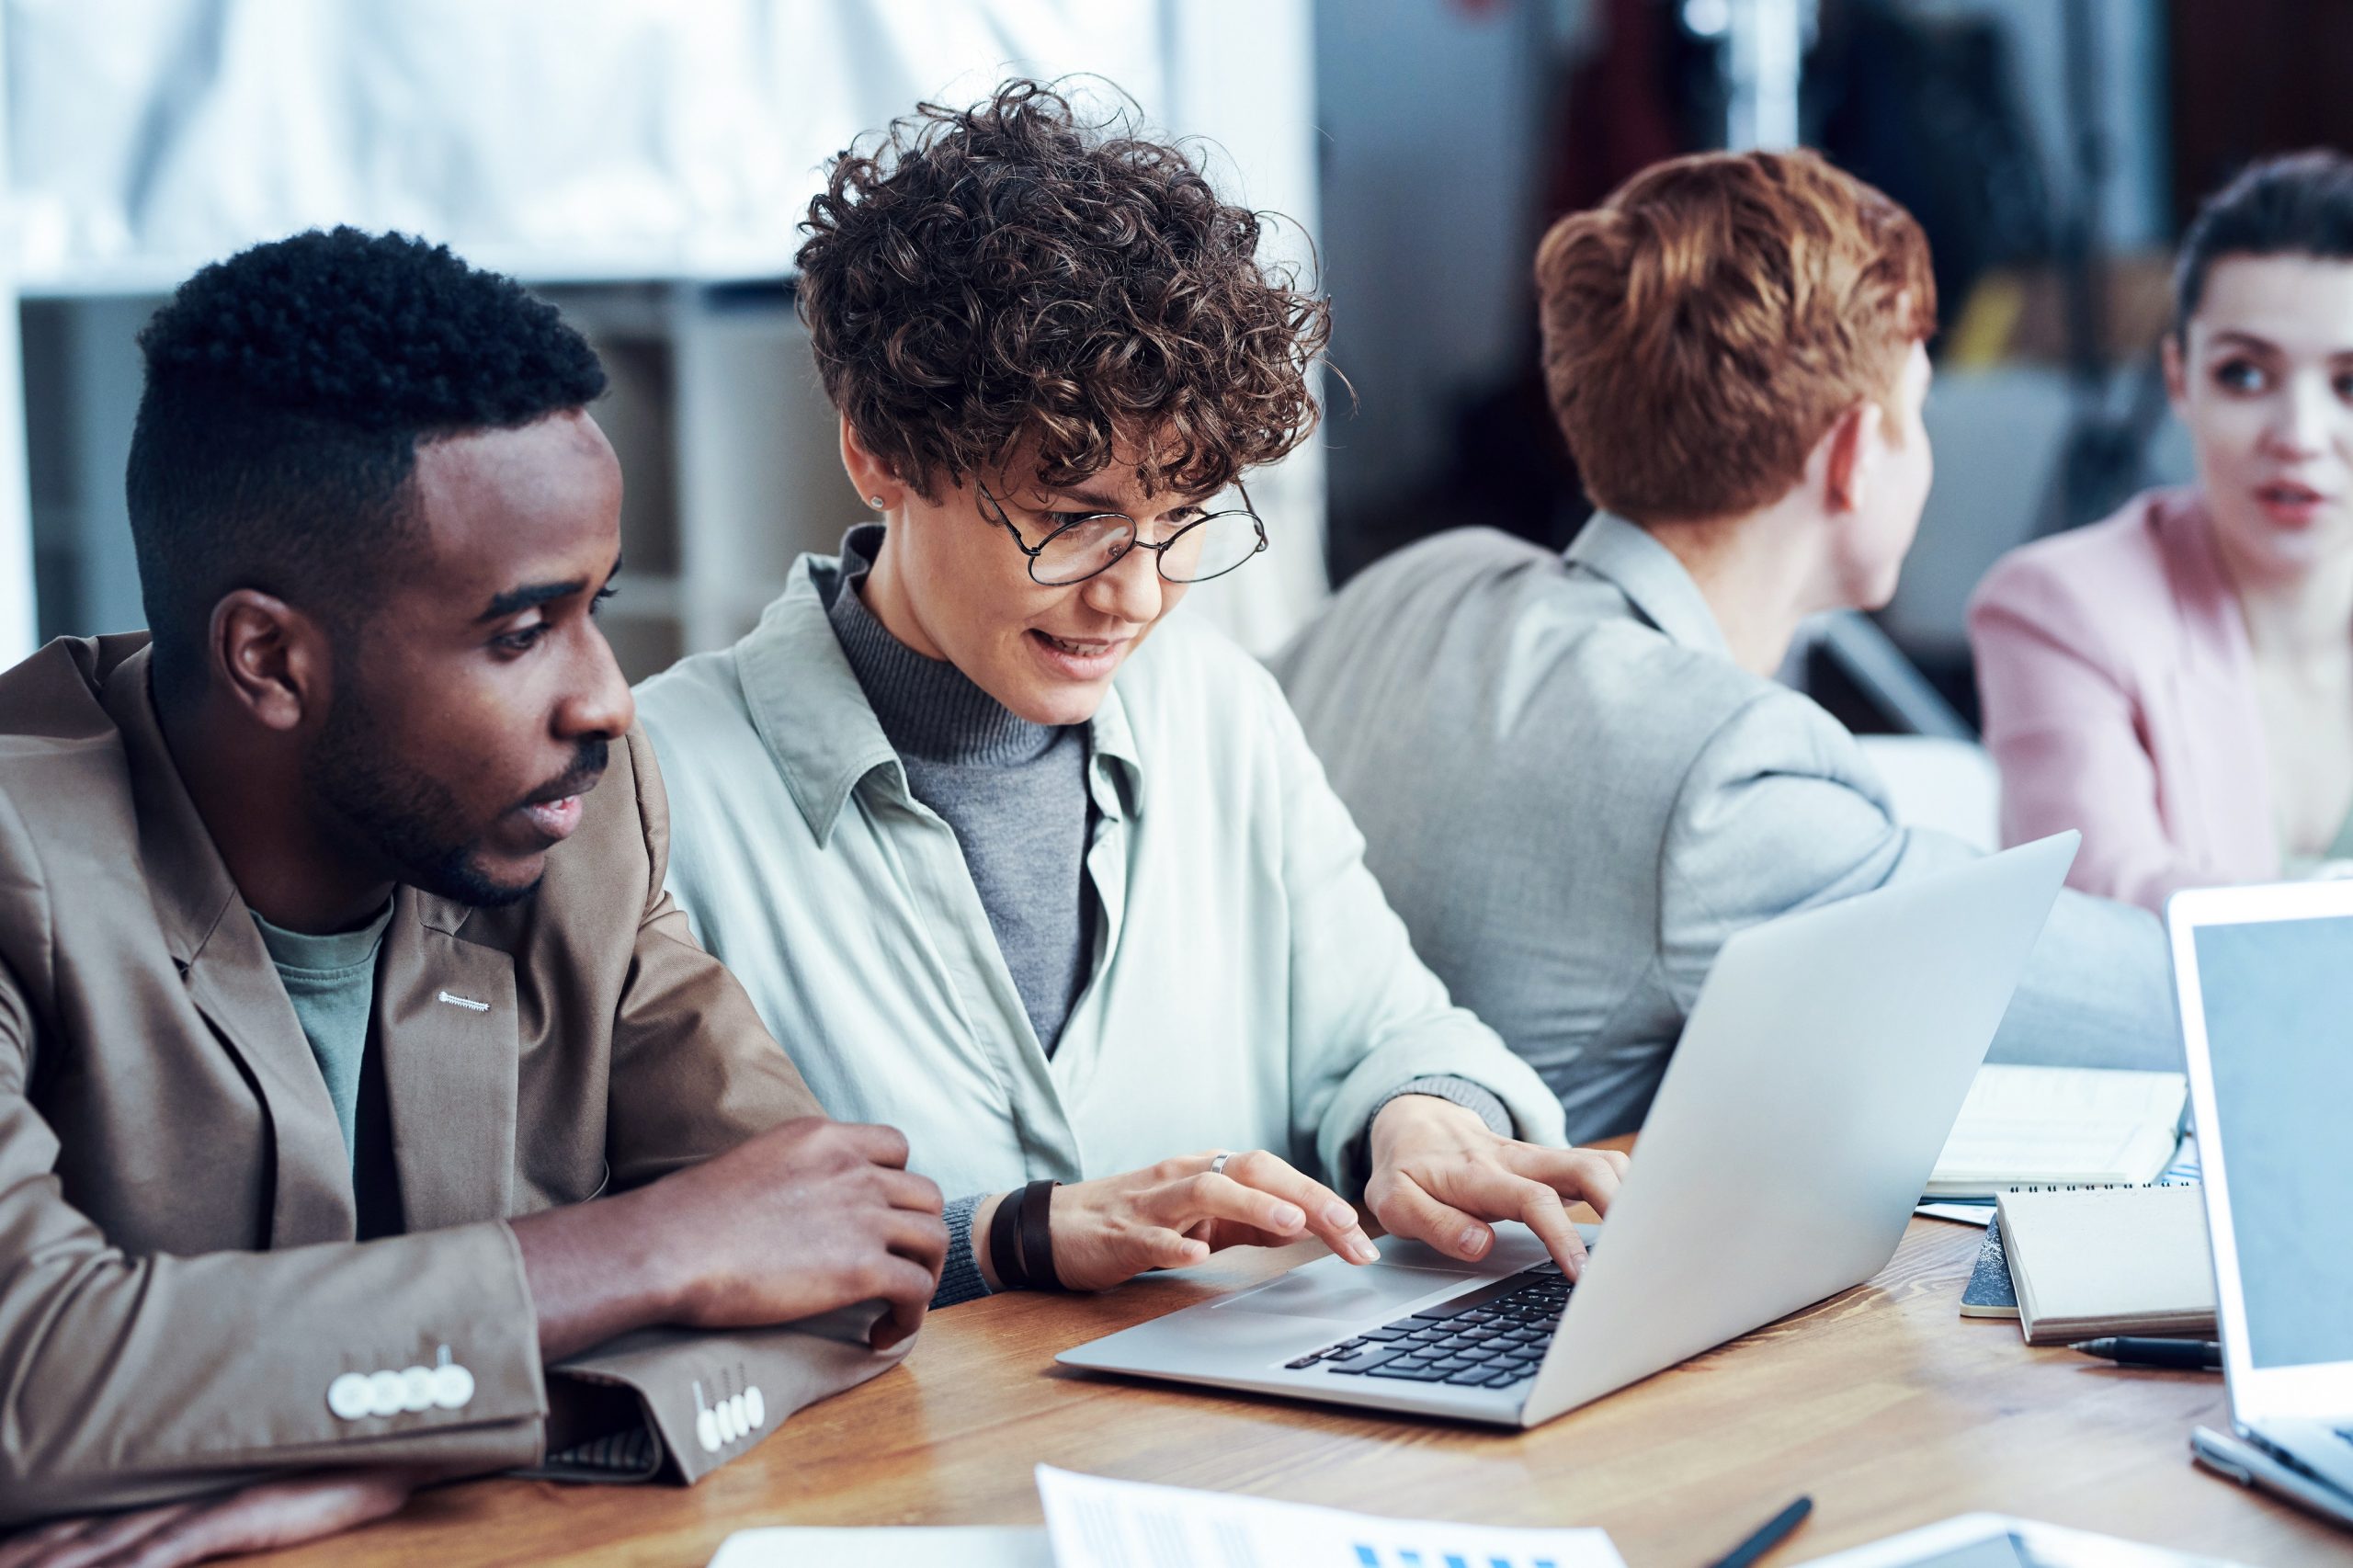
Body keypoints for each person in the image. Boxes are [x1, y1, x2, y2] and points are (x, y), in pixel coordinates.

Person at [0, 230, 946, 1562]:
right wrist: (652, 1250)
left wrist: (366, 1452)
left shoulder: (580, 814)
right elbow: (31, 1374)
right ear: (269, 656)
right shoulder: (15, 849)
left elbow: (846, 1262)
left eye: (597, 606)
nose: (608, 695)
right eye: (519, 632)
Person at [636, 80, 1625, 1310]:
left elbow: (1390, 1030)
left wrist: (1420, 1122)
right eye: (1072, 520)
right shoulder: (657, 788)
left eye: (1185, 518)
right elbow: (643, 1241)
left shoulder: (1219, 709)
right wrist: (1002, 1232)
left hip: (1236, 1461)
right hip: (888, 1487)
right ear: (877, 452)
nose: (1139, 596)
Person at [1273, 150, 2177, 1145]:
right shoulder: (1722, 780)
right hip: (1507, 1283)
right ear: (1850, 456)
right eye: (1912, 415)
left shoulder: (1420, 578)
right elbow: (2163, 1008)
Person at [1970, 151, 2353, 911]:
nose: (2299, 436)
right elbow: (2113, 918)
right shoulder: (2059, 610)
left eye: (2350, 384)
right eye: (2245, 374)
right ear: (2180, 380)